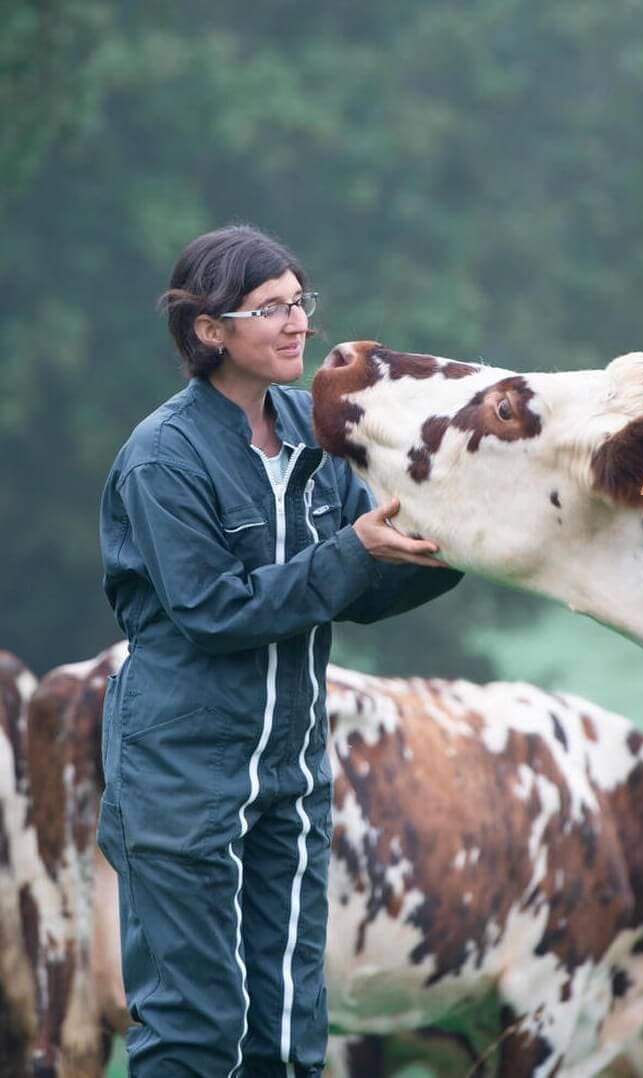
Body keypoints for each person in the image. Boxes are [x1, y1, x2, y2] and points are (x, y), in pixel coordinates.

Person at [97, 224, 461, 1076]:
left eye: (301, 301)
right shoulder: (163, 458)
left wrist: (463, 546)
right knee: (194, 1026)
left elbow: (356, 591)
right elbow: (213, 612)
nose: (298, 324)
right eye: (270, 309)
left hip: (292, 773)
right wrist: (353, 551)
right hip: (181, 773)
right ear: (209, 331)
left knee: (291, 1026)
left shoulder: (309, 429)